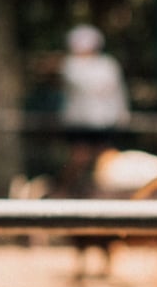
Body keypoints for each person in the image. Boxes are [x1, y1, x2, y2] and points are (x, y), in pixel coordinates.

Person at [56, 24, 130, 196]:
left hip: (104, 121)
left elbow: (116, 91)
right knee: (79, 157)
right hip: (80, 122)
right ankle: (63, 191)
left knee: (105, 158)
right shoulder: (71, 65)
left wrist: (121, 113)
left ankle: (100, 193)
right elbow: (87, 86)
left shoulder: (107, 64)